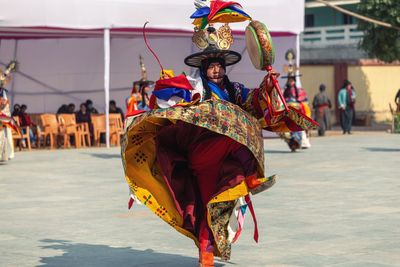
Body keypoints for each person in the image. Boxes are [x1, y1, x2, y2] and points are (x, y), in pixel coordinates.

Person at [121, 6, 317, 266]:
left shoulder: (234, 90)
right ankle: (248, 180)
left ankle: (207, 251)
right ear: (203, 69)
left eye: (219, 66)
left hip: (226, 156)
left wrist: (268, 85)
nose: (216, 71)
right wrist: (169, 88)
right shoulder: (196, 88)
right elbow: (170, 98)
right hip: (200, 153)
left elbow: (254, 102)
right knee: (235, 130)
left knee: (216, 204)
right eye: (212, 67)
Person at [280, 55, 312, 152]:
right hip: (288, 111)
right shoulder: (284, 91)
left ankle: (299, 143)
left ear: (294, 81)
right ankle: (292, 144)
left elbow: (304, 100)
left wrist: (299, 104)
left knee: (298, 128)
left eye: (292, 80)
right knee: (286, 130)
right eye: (289, 80)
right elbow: (282, 100)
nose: (291, 82)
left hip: (297, 112)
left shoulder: (299, 90)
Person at [0, 61, 18, 161]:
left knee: (6, 132)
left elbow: (4, 76)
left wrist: (9, 69)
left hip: (4, 113)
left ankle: (9, 153)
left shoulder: (2, 91)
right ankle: (4, 154)